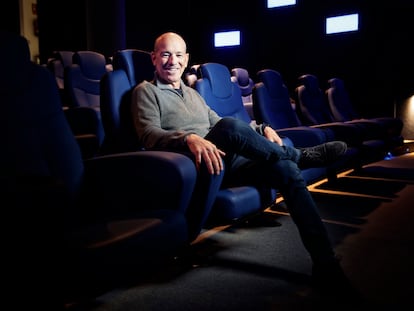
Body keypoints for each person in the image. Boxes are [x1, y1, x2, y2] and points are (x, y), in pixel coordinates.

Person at [131, 32, 359, 299]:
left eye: (179, 54)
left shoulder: (193, 95)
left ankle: (325, 264)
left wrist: (262, 128)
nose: (173, 61)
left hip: (227, 160)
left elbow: (220, 122)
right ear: (154, 58)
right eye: (166, 54)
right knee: (232, 129)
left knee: (286, 171)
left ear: (187, 58)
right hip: (196, 164)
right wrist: (188, 137)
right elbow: (148, 134)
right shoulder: (145, 91)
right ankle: (296, 154)